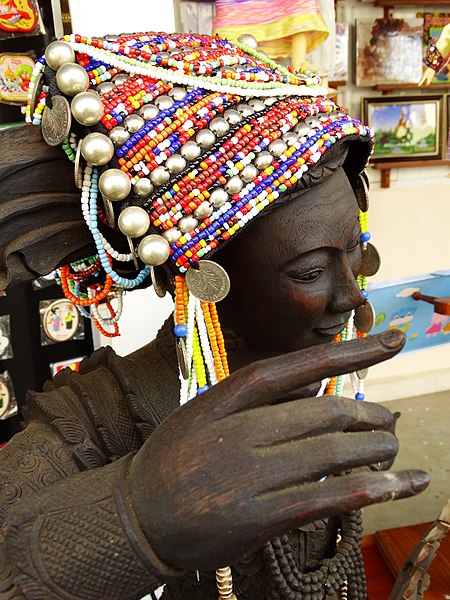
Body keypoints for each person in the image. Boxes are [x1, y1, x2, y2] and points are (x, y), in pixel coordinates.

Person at [0, 32, 428, 600]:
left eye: (355, 248)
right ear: (208, 281)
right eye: (307, 271)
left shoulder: (330, 384)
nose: (350, 293)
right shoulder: (97, 422)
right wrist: (137, 516)